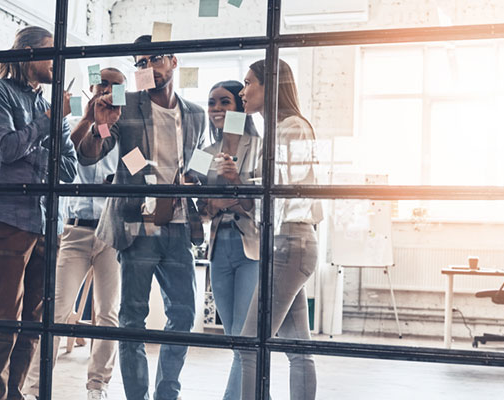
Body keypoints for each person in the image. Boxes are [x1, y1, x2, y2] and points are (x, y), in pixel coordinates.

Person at [77, 35, 206, 400]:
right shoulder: (126, 103)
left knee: (182, 316)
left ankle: (168, 392)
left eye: (155, 59)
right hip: (136, 227)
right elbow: (91, 153)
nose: (147, 67)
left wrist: (202, 179)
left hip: (180, 229)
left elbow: (198, 162)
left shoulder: (194, 114)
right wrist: (99, 125)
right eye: (141, 62)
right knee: (132, 319)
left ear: (174, 62)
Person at [0, 26, 77, 400]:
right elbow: (6, 149)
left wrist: (32, 138)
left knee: (34, 322)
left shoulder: (49, 107)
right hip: (8, 219)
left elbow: (70, 168)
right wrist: (45, 129)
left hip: (49, 222)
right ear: (29, 53)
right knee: (3, 319)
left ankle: (13, 394)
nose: (58, 61)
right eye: (53, 52)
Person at [22, 67, 126, 400]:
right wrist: (89, 120)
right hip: (76, 231)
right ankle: (39, 388)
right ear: (92, 88)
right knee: (55, 311)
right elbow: (62, 163)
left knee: (109, 314)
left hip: (113, 234)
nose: (107, 91)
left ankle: (98, 385)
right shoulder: (69, 127)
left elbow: (140, 174)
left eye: (115, 87)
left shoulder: (127, 134)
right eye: (101, 84)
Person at [238, 59, 322, 400]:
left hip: (290, 241)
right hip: (287, 243)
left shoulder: (291, 128)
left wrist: (245, 184)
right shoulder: (278, 129)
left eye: (249, 83)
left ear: (269, 85)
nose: (243, 92)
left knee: (248, 346)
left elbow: (289, 188)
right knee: (297, 349)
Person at [197, 81, 261, 400]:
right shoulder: (203, 153)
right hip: (219, 247)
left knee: (243, 336)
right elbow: (193, 202)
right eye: (212, 103)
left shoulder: (261, 147)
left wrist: (235, 186)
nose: (217, 109)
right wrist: (211, 204)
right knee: (234, 338)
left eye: (225, 102)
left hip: (251, 248)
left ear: (241, 107)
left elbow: (259, 204)